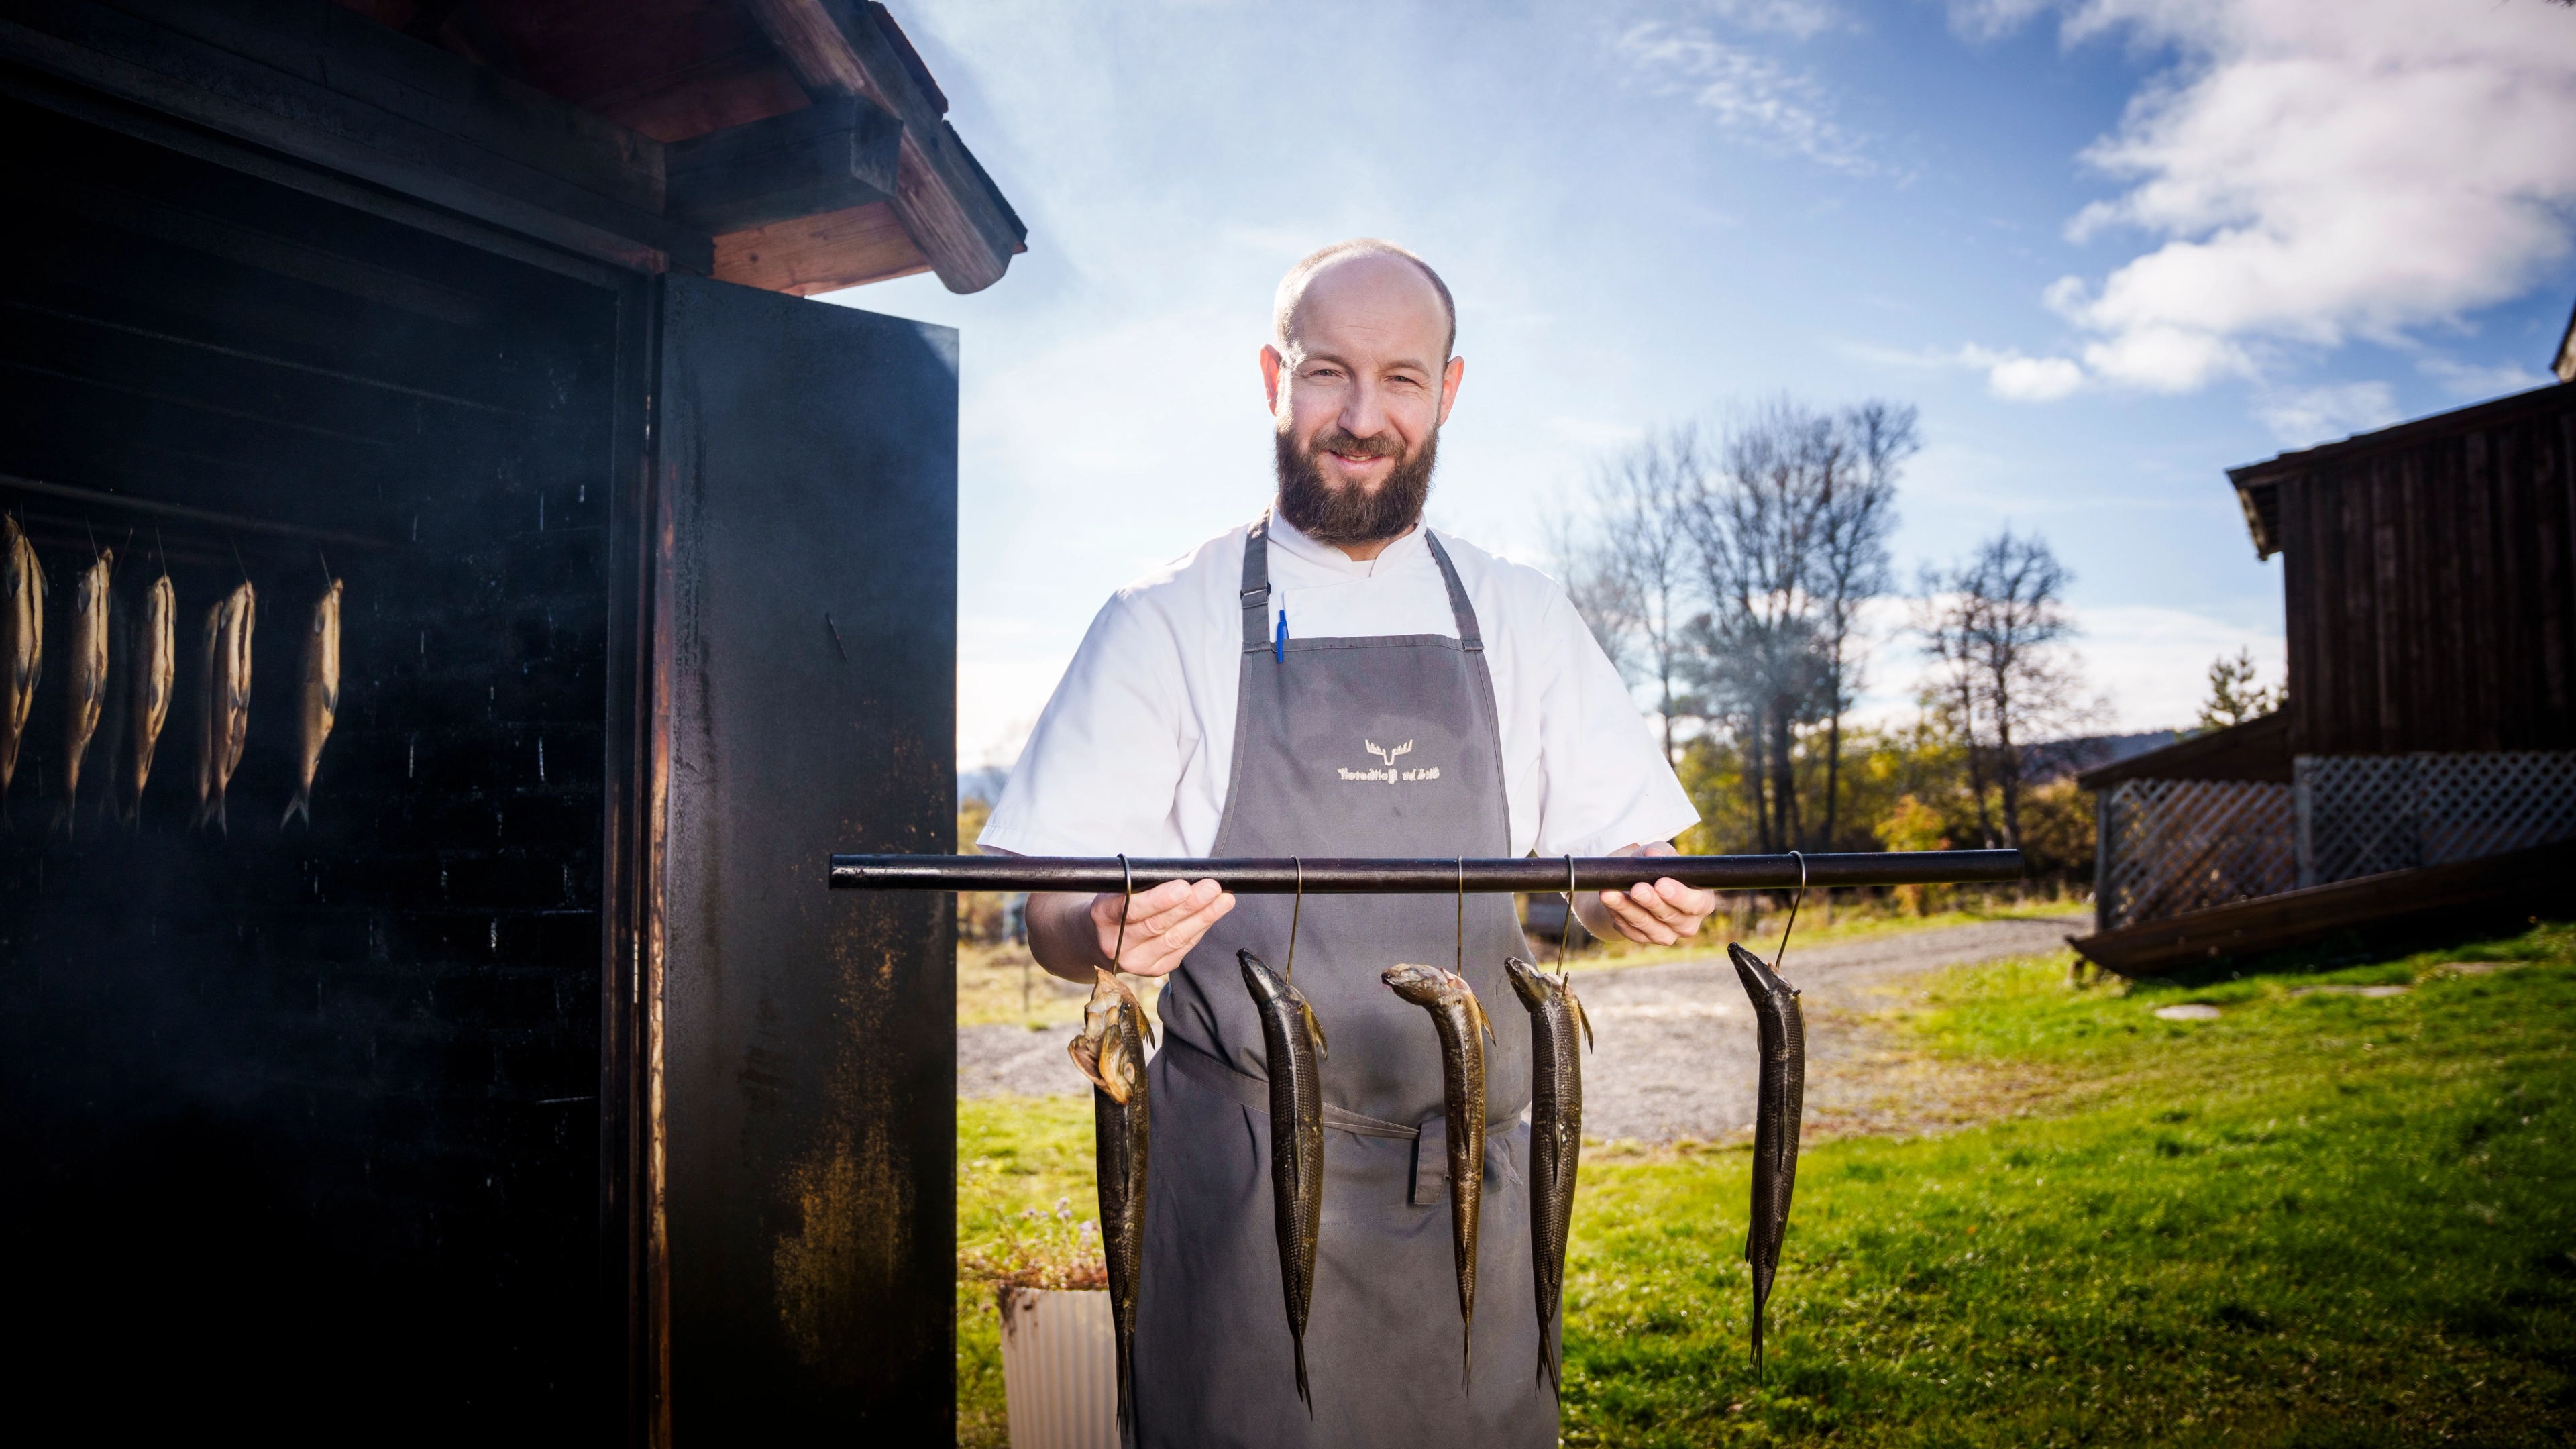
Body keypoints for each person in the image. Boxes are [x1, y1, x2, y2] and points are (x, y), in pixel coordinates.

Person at [977, 239, 1715, 1447]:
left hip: (1481, 1194)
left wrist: (1632, 891)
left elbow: (1607, 863)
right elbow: (1048, 909)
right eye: (1328, 372)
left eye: (1402, 378)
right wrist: (1097, 930)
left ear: (1449, 391)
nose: (1364, 417)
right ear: (1275, 379)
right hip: (1245, 1200)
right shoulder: (1163, 617)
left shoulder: (1522, 614)